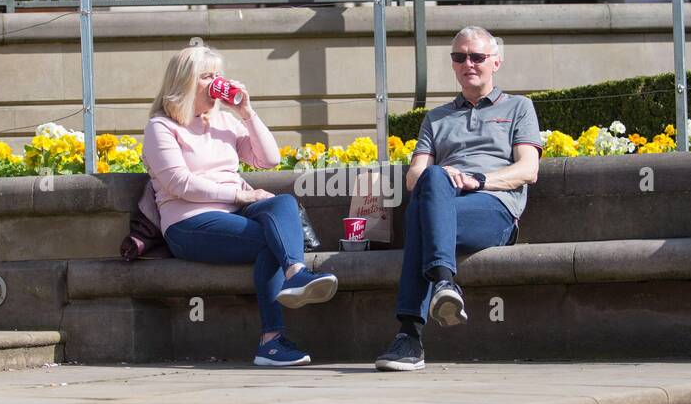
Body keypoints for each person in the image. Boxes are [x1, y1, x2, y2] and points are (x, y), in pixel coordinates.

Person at [142, 43, 338, 367]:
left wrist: (247, 113)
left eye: (219, 75)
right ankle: (271, 341)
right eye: (208, 76)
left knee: (283, 202)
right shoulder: (161, 127)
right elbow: (179, 183)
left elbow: (269, 159)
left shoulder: (225, 122)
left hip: (235, 211)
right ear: (185, 82)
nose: (218, 82)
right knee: (269, 243)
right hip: (189, 222)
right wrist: (239, 195)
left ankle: (295, 275)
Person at [375, 27, 542, 372]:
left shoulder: (519, 107)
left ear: (496, 62)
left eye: (477, 57)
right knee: (432, 179)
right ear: (453, 64)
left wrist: (478, 180)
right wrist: (446, 175)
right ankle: (445, 284)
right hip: (444, 200)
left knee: (422, 217)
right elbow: (413, 178)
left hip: (493, 208)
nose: (469, 63)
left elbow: (528, 170)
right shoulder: (436, 118)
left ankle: (409, 334)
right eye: (460, 57)